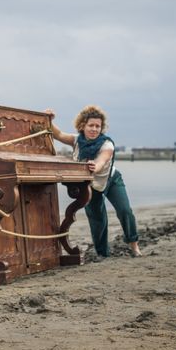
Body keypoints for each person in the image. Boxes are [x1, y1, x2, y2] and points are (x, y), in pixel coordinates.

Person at [48, 105, 142, 259]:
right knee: (97, 219)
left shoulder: (107, 143)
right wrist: (49, 120)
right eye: (91, 125)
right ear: (82, 126)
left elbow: (102, 160)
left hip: (111, 180)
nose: (94, 129)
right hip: (90, 185)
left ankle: (134, 245)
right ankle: (102, 253)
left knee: (125, 211)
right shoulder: (77, 140)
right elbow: (57, 134)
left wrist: (94, 166)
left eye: (98, 126)